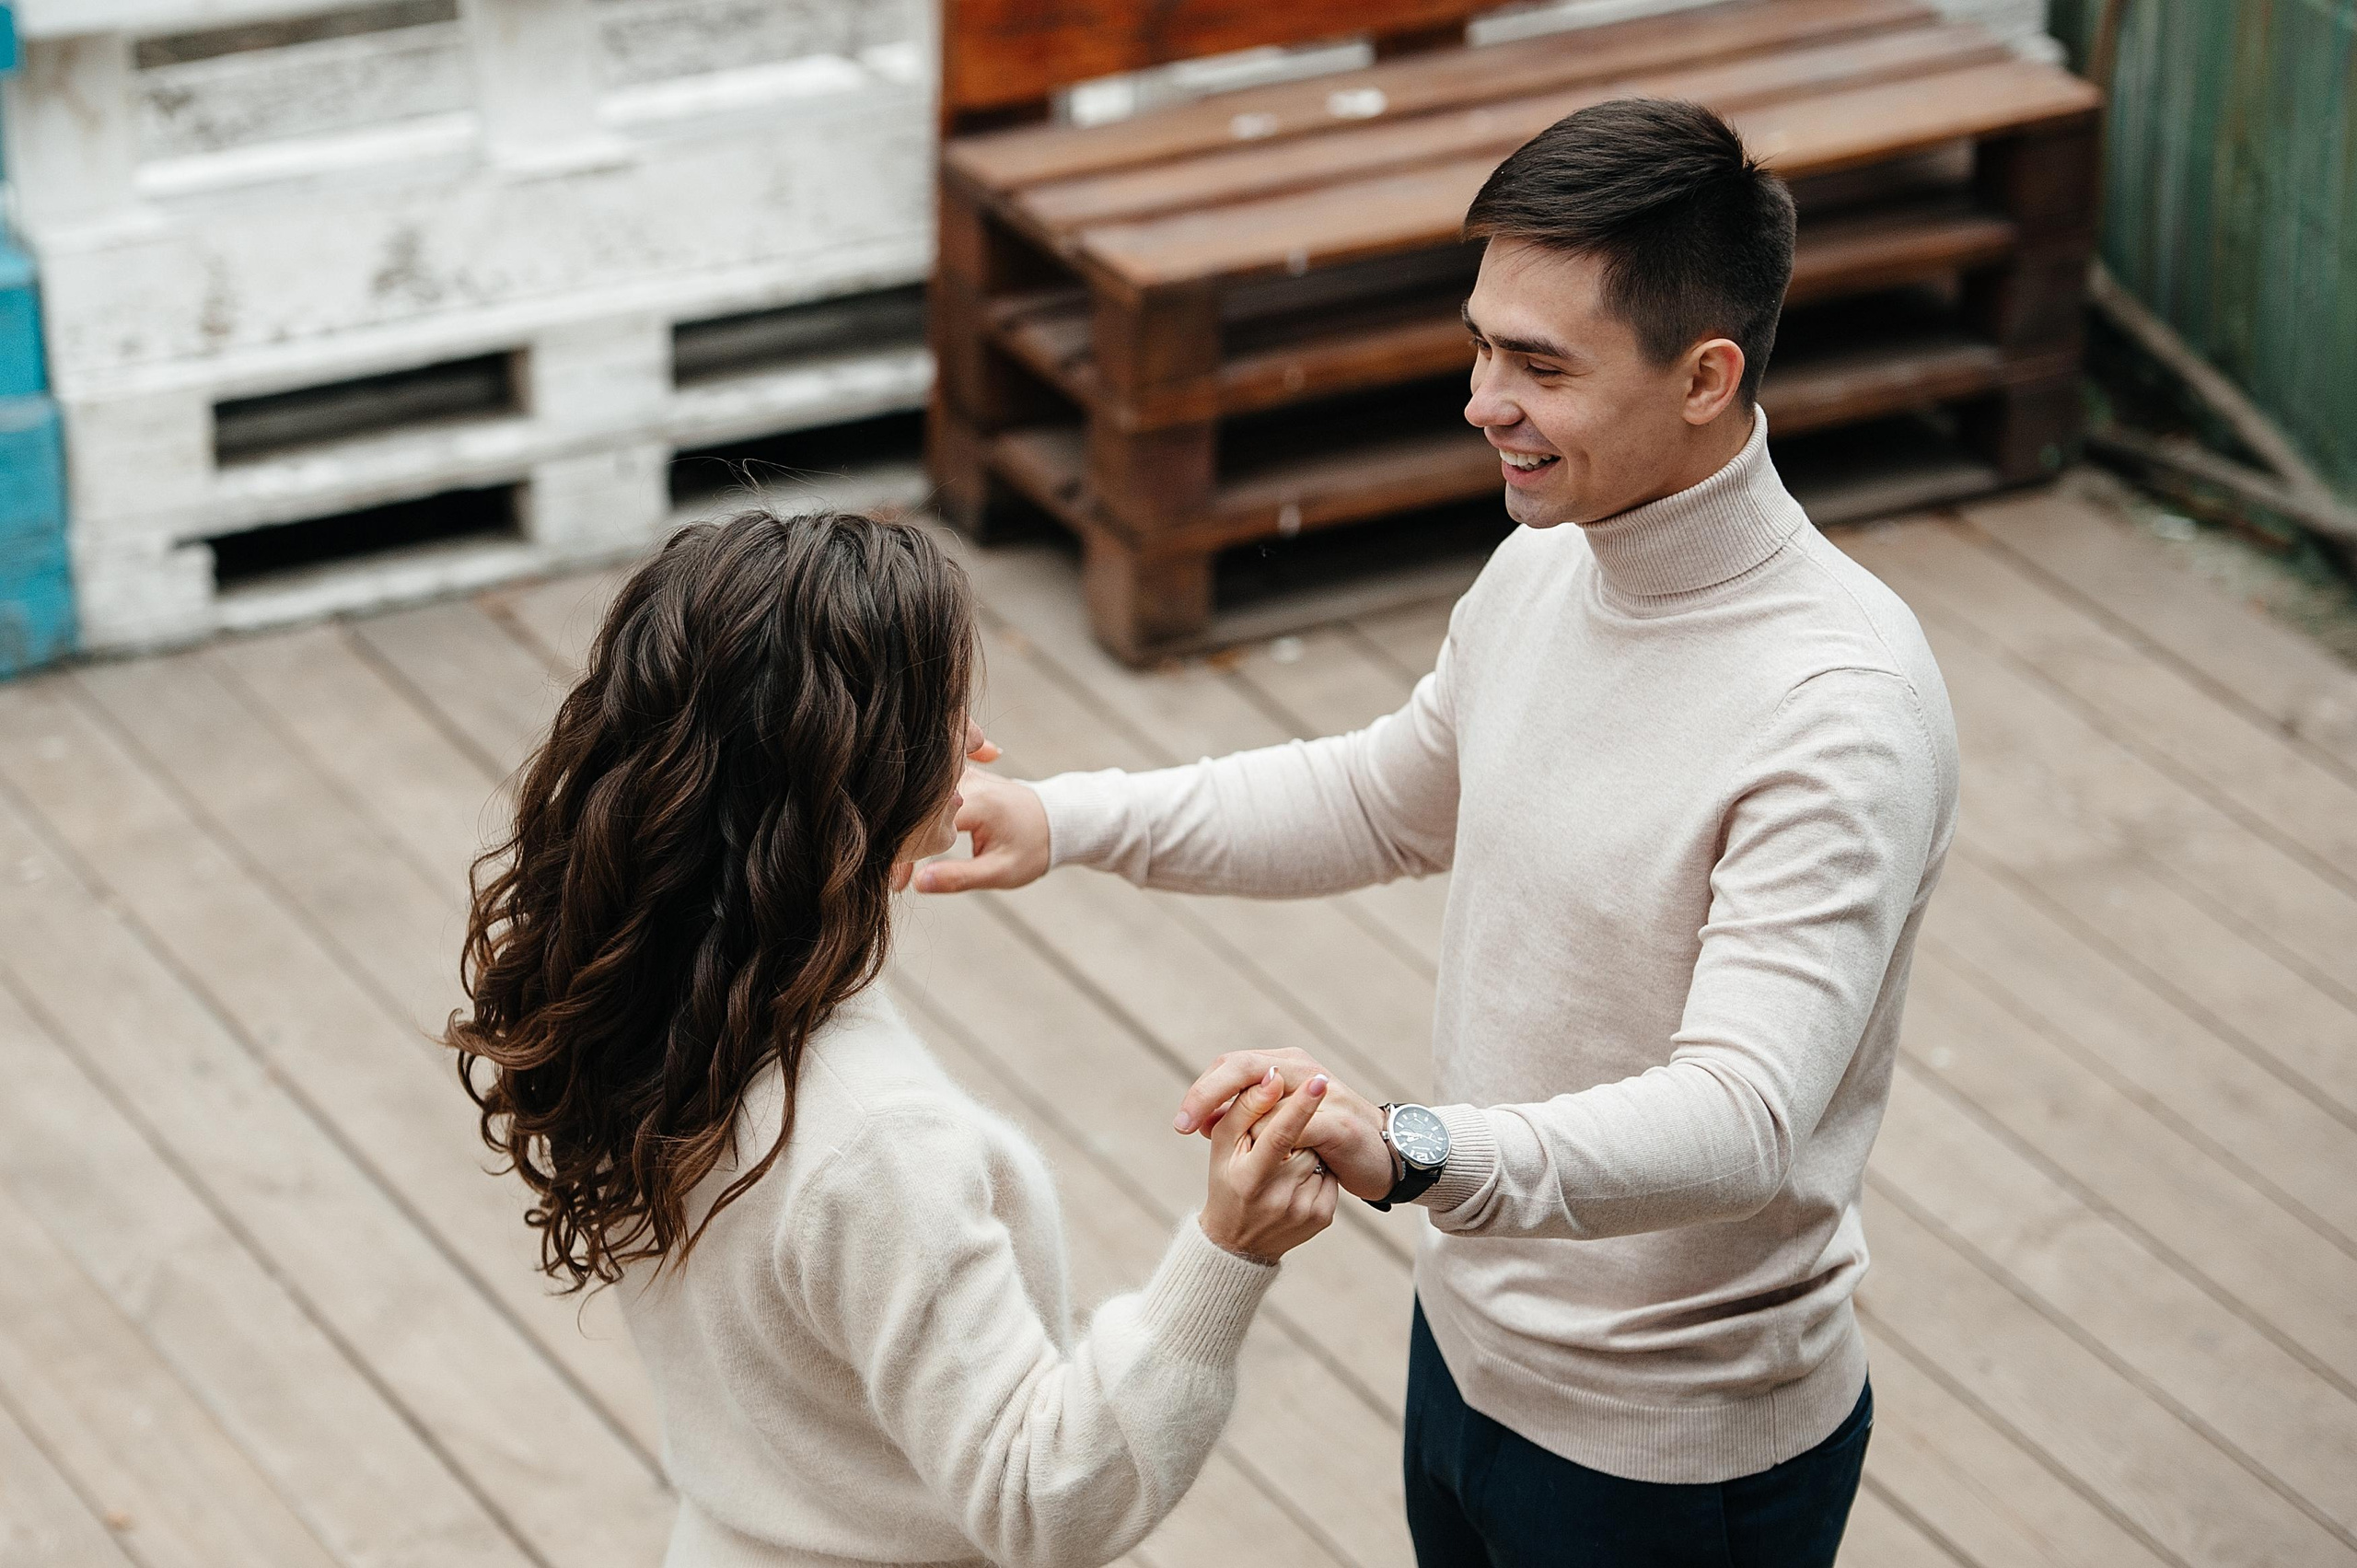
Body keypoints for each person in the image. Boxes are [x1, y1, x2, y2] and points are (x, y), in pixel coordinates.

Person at [920, 99, 1960, 1567]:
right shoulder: (1550, 563)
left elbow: (1742, 1116)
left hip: (1670, 1457)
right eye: (1482, 345)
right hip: (1467, 1348)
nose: (1482, 402)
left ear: (1706, 378)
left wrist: (1407, 1145)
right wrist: (1061, 817)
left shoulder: (1837, 706)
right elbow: (1383, 797)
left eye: (1541, 366)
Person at [447, 509, 1340, 1568]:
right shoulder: (878, 1142)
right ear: (859, 767)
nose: (979, 744)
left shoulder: (659, 996)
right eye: (947, 714)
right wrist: (1227, 1249)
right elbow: (1044, 1502)